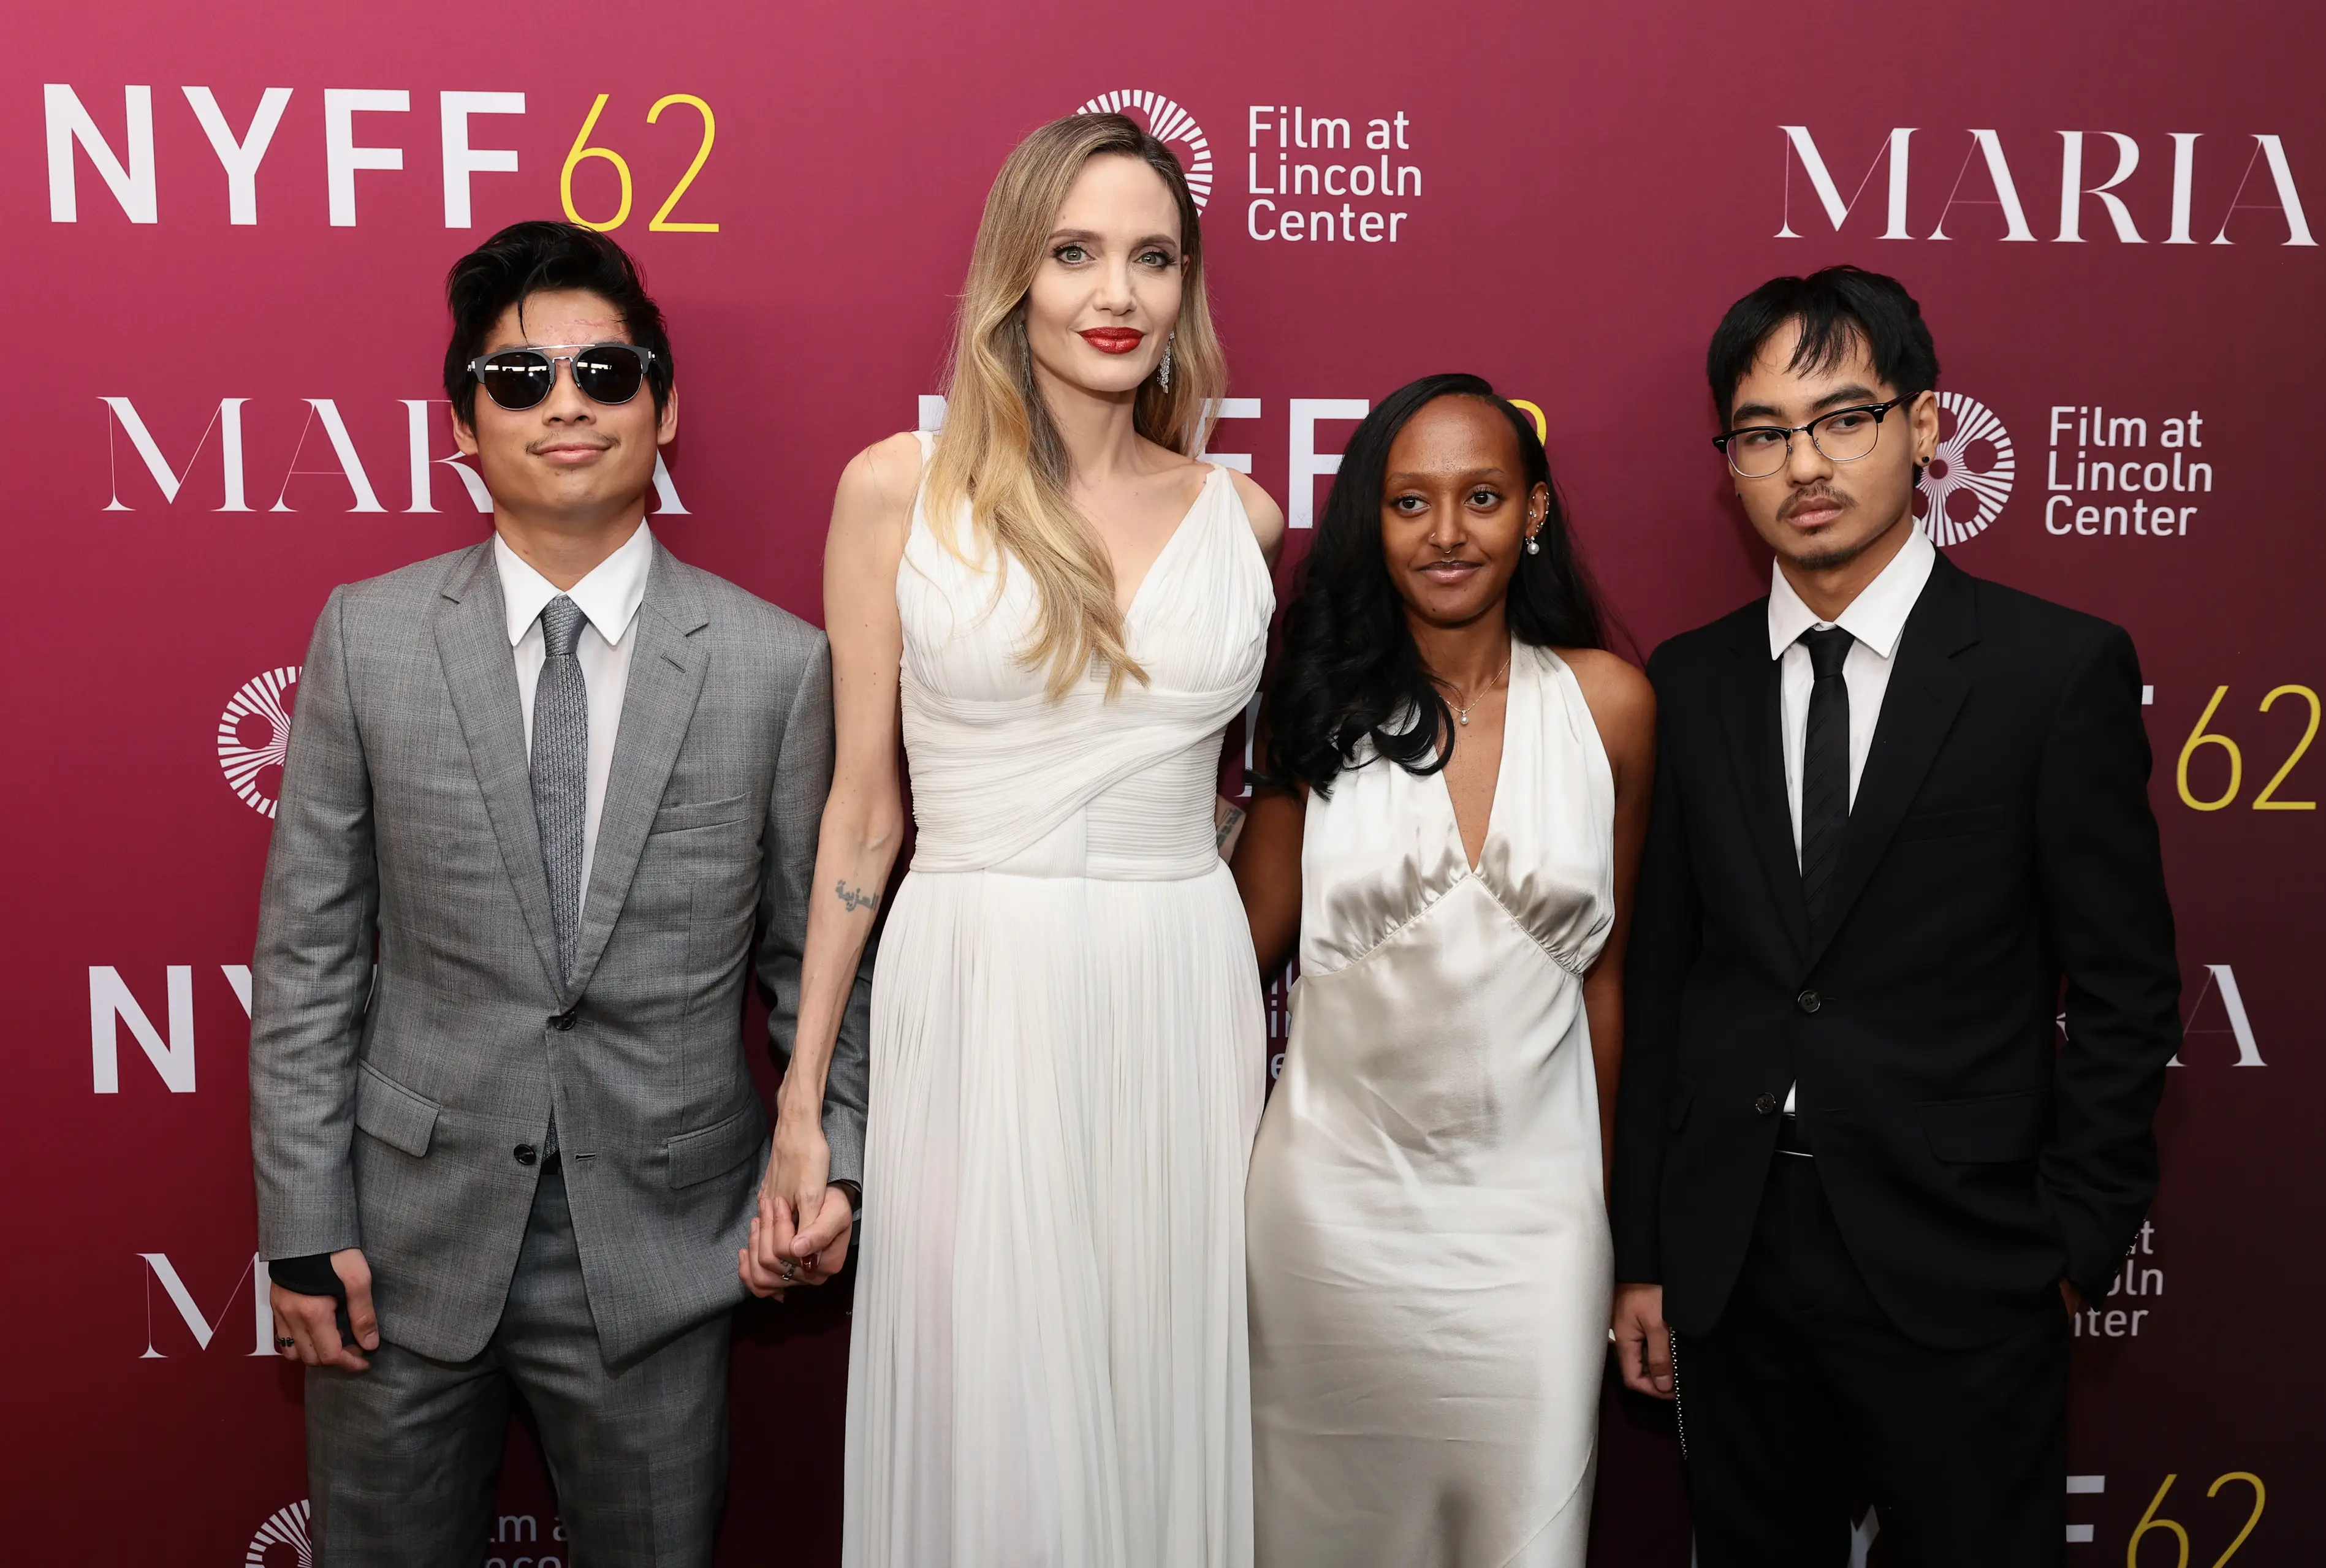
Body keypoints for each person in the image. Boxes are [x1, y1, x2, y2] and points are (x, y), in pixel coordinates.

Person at [248, 219, 867, 1566]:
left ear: (665, 404)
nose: (568, 403)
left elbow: (818, 968)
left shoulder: (777, 668)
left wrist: (840, 1168)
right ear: (464, 423)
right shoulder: (369, 636)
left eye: (606, 368)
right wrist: (302, 1230)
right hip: (397, 1254)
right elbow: (305, 959)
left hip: (663, 1247)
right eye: (518, 379)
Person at [748, 114, 1285, 1566]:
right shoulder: (895, 494)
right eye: (1075, 253)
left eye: (1153, 259)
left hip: (1181, 982)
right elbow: (864, 810)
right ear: (1015, 278)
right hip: (977, 975)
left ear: (1186, 293)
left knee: (1160, 1387)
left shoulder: (1247, 516)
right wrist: (802, 1102)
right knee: (993, 1404)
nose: (1116, 294)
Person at [1610, 265, 2181, 1564]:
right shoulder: (1690, 684)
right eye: (1763, 433)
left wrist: (2072, 1241)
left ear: (1924, 427)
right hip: (1734, 1260)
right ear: (1731, 461)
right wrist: (1648, 1252)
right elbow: (1667, 982)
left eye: (1844, 418)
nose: (1804, 464)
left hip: (1964, 1260)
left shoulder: (2052, 670)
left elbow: (2130, 988)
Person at [1232, 375, 1654, 1566]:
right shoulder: (1315, 712)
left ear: (1535, 511)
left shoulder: (1612, 705)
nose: (1448, 531)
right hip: (1331, 1227)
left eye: (1481, 497)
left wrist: (1614, 1215)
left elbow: (1608, 982)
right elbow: (1235, 947)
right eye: (1410, 502)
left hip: (1538, 1230)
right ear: (1373, 521)